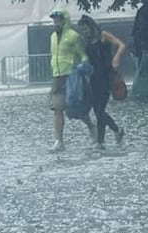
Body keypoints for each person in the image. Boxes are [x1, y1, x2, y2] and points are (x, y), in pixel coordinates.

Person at [77, 14, 127, 149]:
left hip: (107, 77)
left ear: (92, 26)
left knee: (99, 110)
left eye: (86, 29)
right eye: (83, 30)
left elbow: (121, 45)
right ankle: (115, 133)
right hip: (94, 78)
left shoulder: (103, 35)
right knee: (98, 110)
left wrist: (116, 58)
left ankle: (101, 142)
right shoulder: (86, 42)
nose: (85, 32)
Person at [48, 8, 93, 151]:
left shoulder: (74, 36)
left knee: (76, 110)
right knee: (57, 109)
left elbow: (82, 54)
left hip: (72, 76)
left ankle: (91, 127)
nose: (55, 22)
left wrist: (84, 65)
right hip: (57, 76)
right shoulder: (52, 37)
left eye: (58, 19)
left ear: (64, 20)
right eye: (54, 20)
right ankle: (59, 141)